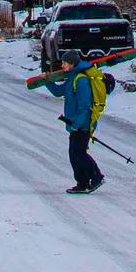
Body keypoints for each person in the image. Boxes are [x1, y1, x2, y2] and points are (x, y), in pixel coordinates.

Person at [42, 56, 107, 194]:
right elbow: (58, 91)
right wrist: (46, 80)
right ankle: (82, 183)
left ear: (72, 64)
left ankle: (96, 177)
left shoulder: (81, 80)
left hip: (82, 124)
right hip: (75, 125)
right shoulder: (72, 78)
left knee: (78, 153)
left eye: (65, 62)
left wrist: (77, 124)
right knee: (74, 154)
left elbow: (84, 106)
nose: (62, 65)